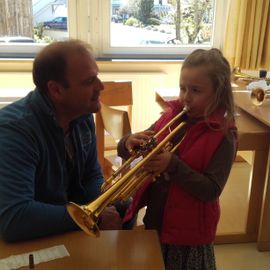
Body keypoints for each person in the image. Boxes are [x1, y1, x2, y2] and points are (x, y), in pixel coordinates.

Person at [117, 48, 237, 270]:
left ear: (218, 93)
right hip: (157, 219)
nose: (185, 97)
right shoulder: (172, 116)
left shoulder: (223, 135)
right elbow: (144, 140)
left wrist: (173, 165)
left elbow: (211, 190)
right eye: (182, 88)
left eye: (196, 90)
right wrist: (127, 142)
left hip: (189, 235)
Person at [0, 39, 124, 242]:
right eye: (88, 81)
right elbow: (14, 218)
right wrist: (89, 217)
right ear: (56, 90)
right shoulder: (14, 131)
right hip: (33, 243)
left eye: (97, 77)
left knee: (124, 207)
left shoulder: (81, 115)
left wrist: (105, 205)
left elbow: (91, 176)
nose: (100, 86)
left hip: (65, 230)